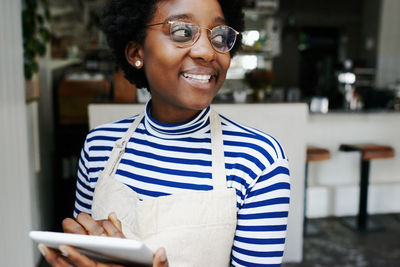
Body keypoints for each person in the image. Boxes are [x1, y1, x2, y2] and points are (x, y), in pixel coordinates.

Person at [39, 0, 291, 266]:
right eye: (182, 32)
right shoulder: (99, 146)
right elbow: (87, 255)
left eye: (219, 36)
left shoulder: (259, 161)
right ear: (137, 52)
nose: (207, 51)